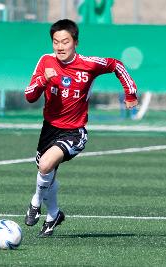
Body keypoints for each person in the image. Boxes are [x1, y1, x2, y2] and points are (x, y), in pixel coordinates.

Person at [24, 19, 138, 237]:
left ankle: (35, 203)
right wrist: (42, 81)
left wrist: (130, 93)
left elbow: (116, 65)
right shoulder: (46, 61)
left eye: (65, 41)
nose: (60, 47)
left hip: (75, 132)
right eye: (56, 42)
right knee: (46, 172)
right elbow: (29, 96)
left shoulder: (88, 64)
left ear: (75, 42)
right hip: (48, 129)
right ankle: (54, 215)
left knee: (46, 165)